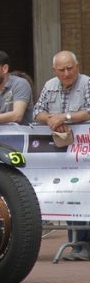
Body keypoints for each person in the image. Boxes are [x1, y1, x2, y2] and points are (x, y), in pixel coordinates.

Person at [33, 50, 90, 261]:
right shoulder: (49, 86)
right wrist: (49, 118)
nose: (67, 73)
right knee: (70, 195)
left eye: (70, 68)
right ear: (54, 71)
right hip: (60, 152)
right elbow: (36, 111)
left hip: (83, 153)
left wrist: (64, 117)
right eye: (62, 69)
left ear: (77, 66)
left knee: (84, 194)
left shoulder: (86, 84)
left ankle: (83, 245)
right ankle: (77, 244)